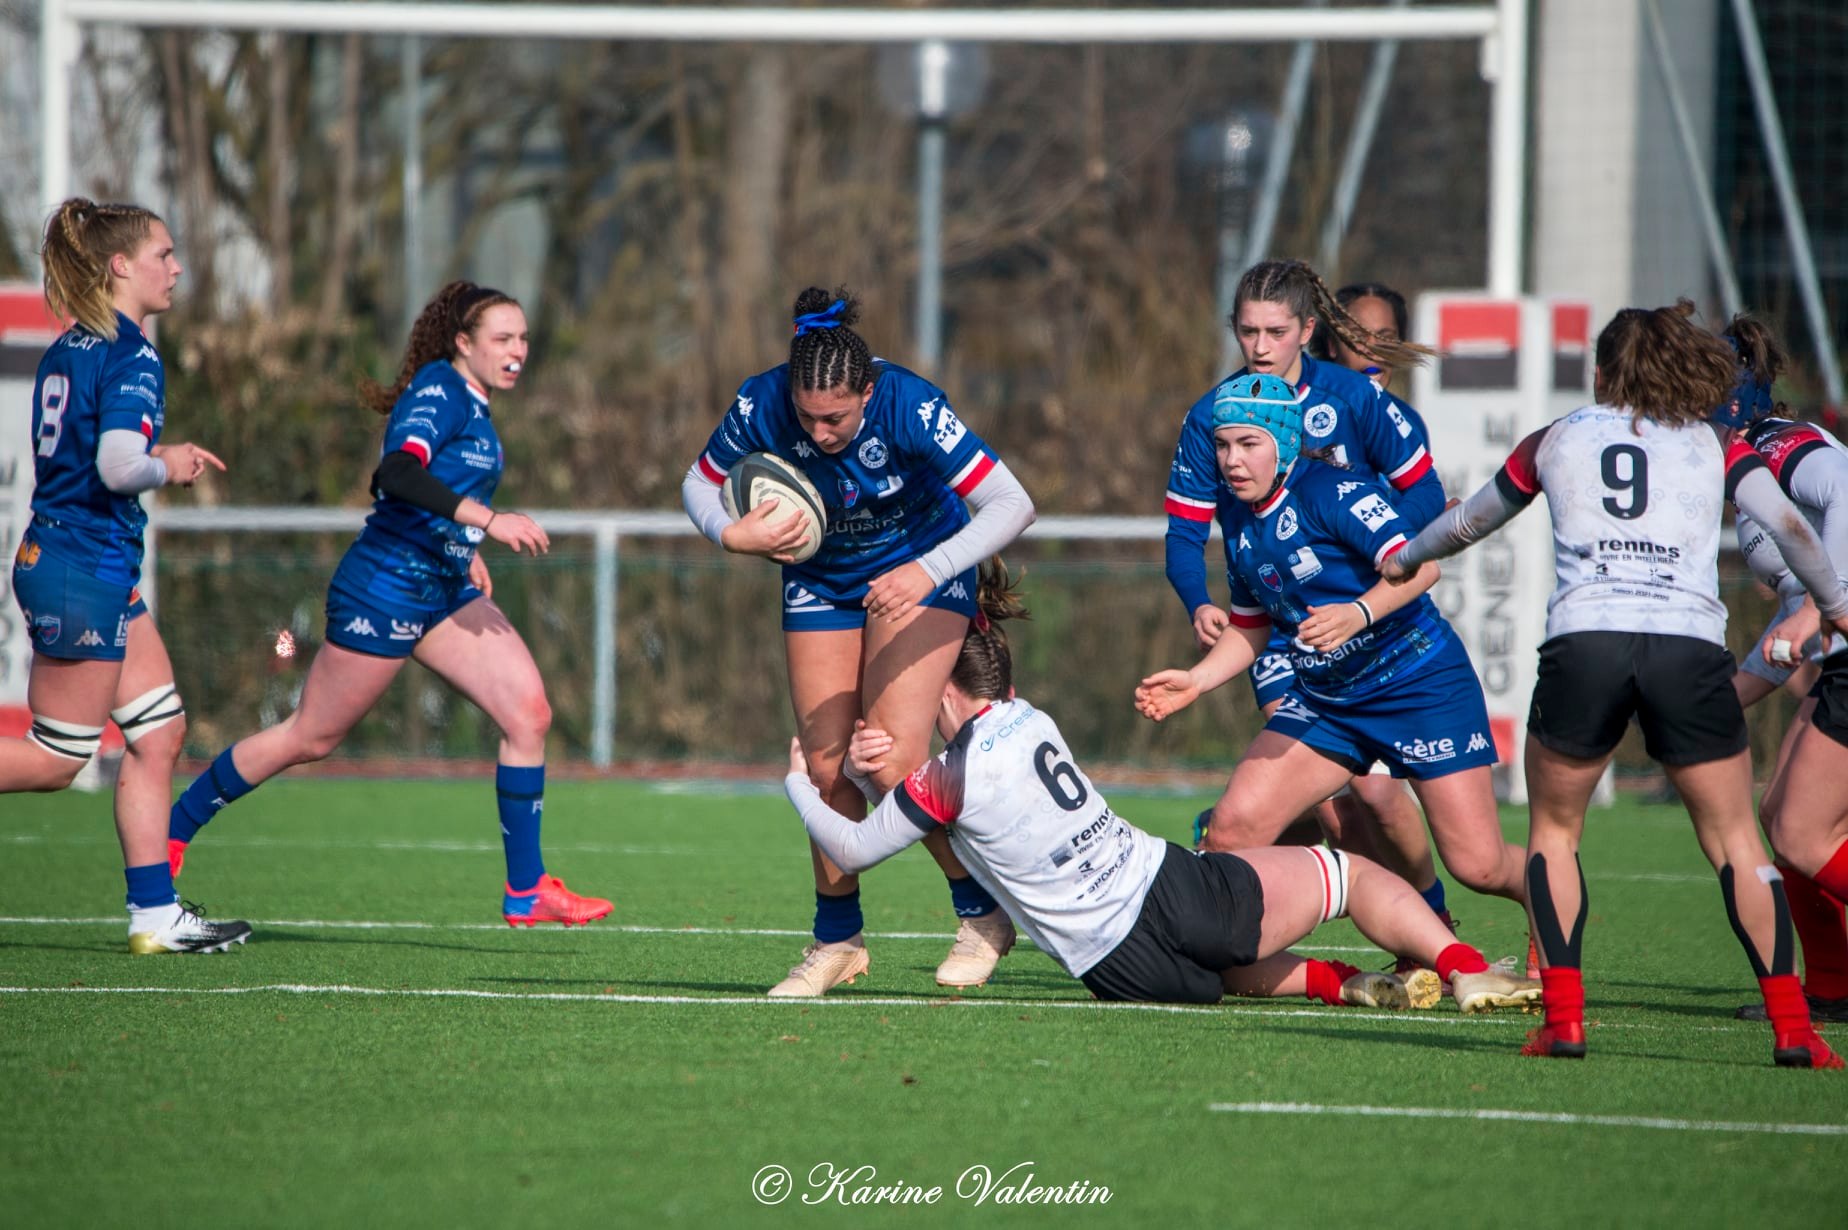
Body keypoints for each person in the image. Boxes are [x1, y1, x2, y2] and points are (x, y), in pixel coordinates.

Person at [1384, 301, 1847, 1067]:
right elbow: (1794, 530)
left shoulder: (1558, 436)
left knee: (1555, 835)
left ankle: (1564, 1021)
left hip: (1586, 642)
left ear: (1602, 375)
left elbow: (1468, 523)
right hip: (1686, 648)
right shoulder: (1716, 443)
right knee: (1737, 842)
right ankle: (1796, 1031)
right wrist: (1833, 604)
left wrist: (1405, 557)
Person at [785, 564, 1536, 1013]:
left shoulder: (943, 781)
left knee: (1225, 968)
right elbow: (957, 787)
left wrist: (805, 782)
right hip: (1167, 891)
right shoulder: (1033, 720)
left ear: (942, 689)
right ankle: (1466, 970)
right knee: (1351, 877)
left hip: (1117, 971)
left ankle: (1339, 983)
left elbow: (857, 843)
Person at [167, 281, 611, 928]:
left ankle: (527, 888)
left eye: (522, 338)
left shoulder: (475, 403)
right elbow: (397, 475)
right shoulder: (440, 389)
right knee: (311, 736)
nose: (517, 350)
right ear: (463, 343)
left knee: (528, 714)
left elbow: (436, 492)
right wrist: (487, 521)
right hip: (386, 586)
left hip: (441, 586)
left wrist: (462, 545)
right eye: (502, 339)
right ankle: (173, 831)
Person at [682, 288, 1037, 996]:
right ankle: (837, 941)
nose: (818, 433)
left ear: (867, 392)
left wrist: (928, 569)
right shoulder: (762, 402)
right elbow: (699, 481)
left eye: (836, 418)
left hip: (922, 568)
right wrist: (730, 533)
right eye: (807, 418)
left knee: (892, 759)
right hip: (822, 579)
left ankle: (982, 912)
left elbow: (1013, 502)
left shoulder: (909, 404)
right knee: (826, 770)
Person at [1139, 374, 1536, 964]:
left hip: (1418, 682)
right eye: (1222, 445)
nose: (1231, 460)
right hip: (1330, 700)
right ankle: (1216, 954)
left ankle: (1548, 897)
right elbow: (1251, 625)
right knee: (1230, 830)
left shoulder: (1335, 490)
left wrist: (1358, 612)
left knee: (1478, 865)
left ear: (1283, 442)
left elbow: (1422, 567)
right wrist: (1196, 681)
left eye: (1248, 444)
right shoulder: (1240, 515)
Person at [1165, 261, 1449, 928]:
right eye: (1248, 332)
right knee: (1335, 803)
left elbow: (1425, 495)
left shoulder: (1351, 398)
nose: (1260, 347)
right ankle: (1410, 931)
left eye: (1275, 331)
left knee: (1378, 800)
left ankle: (1431, 916)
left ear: (1307, 330)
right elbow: (1183, 533)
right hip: (1276, 630)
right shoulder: (1211, 415)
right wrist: (1199, 601)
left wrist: (1385, 564)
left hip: (1363, 629)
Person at [4, 198, 249, 953]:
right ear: (120, 266)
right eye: (163, 255)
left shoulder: (70, 346)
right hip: (81, 570)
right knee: (56, 759)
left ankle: (154, 914)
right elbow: (117, 466)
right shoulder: (132, 352)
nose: (176, 268)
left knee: (159, 731)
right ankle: (153, 913)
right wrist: (166, 463)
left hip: (88, 566)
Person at [1712, 316, 1848, 1028]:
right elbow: (1797, 607)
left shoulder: (1774, 444)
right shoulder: (1745, 464)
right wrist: (1723, 697)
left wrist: (1827, 607)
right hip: (1841, 660)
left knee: (1801, 835)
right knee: (1779, 819)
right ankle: (1830, 988)